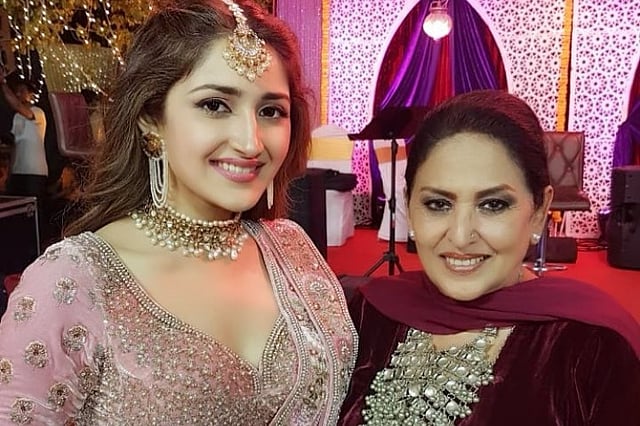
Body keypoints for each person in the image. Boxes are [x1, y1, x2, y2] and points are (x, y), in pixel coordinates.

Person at [0, 1, 357, 424]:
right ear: (151, 119)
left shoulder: (290, 247)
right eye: (215, 105)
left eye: (270, 111)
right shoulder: (73, 281)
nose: (251, 142)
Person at [339, 90, 640, 425]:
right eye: (438, 204)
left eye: (493, 204)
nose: (461, 236)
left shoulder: (592, 348)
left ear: (539, 211)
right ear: (409, 206)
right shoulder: (370, 314)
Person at [0, 72, 48, 200]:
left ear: (31, 94)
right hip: (17, 172)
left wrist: (3, 83)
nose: (18, 94)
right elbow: (16, 145)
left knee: (32, 207)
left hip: (34, 171)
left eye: (22, 91)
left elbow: (17, 105)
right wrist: (9, 172)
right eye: (16, 91)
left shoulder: (38, 112)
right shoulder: (17, 117)